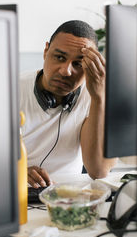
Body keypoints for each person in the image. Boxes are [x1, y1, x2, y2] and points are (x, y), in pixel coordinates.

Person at [20, 20, 117, 188]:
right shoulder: (10, 88)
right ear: (45, 51)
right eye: (59, 57)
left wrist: (99, 98)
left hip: (68, 196)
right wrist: (16, 171)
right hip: (17, 191)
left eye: (78, 64)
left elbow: (98, 171)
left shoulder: (95, 95)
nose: (66, 71)